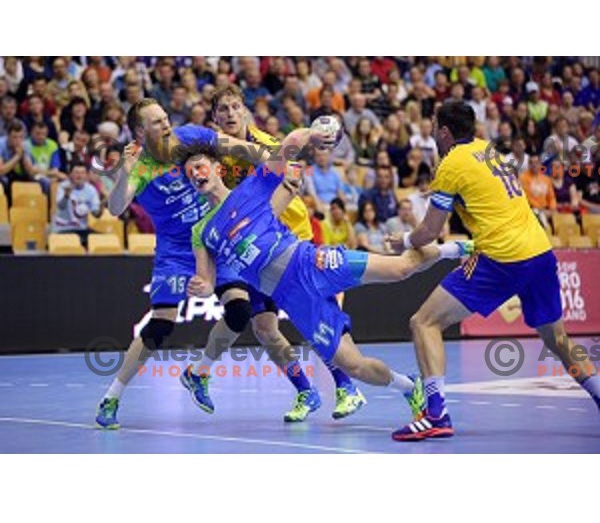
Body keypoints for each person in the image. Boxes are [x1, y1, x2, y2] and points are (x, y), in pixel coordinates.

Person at [183, 136, 473, 427]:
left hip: (313, 262)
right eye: (189, 173)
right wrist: (201, 287)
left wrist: (315, 131)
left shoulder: (252, 185)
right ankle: (410, 387)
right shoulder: (202, 231)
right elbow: (207, 281)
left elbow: (292, 143)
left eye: (199, 167)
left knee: (400, 269)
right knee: (354, 366)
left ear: (218, 168)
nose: (196, 174)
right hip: (294, 300)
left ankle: (454, 249)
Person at [94, 97, 341, 429]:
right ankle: (112, 396)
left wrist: (279, 161)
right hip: (176, 249)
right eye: (156, 122)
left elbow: (239, 148)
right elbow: (115, 206)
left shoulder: (188, 137)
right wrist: (124, 170)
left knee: (240, 312)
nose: (166, 125)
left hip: (215, 233)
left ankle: (200, 373)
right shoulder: (138, 167)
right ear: (139, 131)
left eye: (166, 117)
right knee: (161, 325)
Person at [389, 101, 600, 442]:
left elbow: (428, 231)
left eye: (433, 123)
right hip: (540, 250)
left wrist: (404, 240)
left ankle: (436, 414)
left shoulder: (452, 163)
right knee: (558, 340)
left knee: (423, 321)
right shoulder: (487, 150)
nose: (430, 128)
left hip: (503, 257)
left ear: (444, 132)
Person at [200, 85, 365, 421]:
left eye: (235, 107)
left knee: (314, 318)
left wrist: (258, 222)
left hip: (293, 240)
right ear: (214, 117)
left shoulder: (264, 144)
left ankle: (347, 386)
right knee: (263, 326)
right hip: (258, 251)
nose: (230, 114)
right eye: (223, 110)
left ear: (244, 111)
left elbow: (292, 180)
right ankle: (306, 391)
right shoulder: (213, 157)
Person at [51, 163, 101, 246]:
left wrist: (102, 204)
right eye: (76, 172)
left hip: (82, 229)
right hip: (63, 229)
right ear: (70, 174)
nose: (79, 176)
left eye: (82, 173)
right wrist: (66, 196)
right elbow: (61, 206)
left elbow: (96, 213)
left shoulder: (91, 190)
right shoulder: (63, 186)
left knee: (100, 241)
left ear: (86, 175)